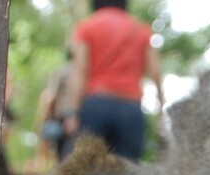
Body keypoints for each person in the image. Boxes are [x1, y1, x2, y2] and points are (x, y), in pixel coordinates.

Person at [64, 0, 164, 160]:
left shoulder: (87, 27)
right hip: (131, 108)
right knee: (127, 172)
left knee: (87, 169)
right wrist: (161, 107)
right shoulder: (141, 30)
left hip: (96, 104)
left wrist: (72, 113)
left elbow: (79, 71)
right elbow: (155, 72)